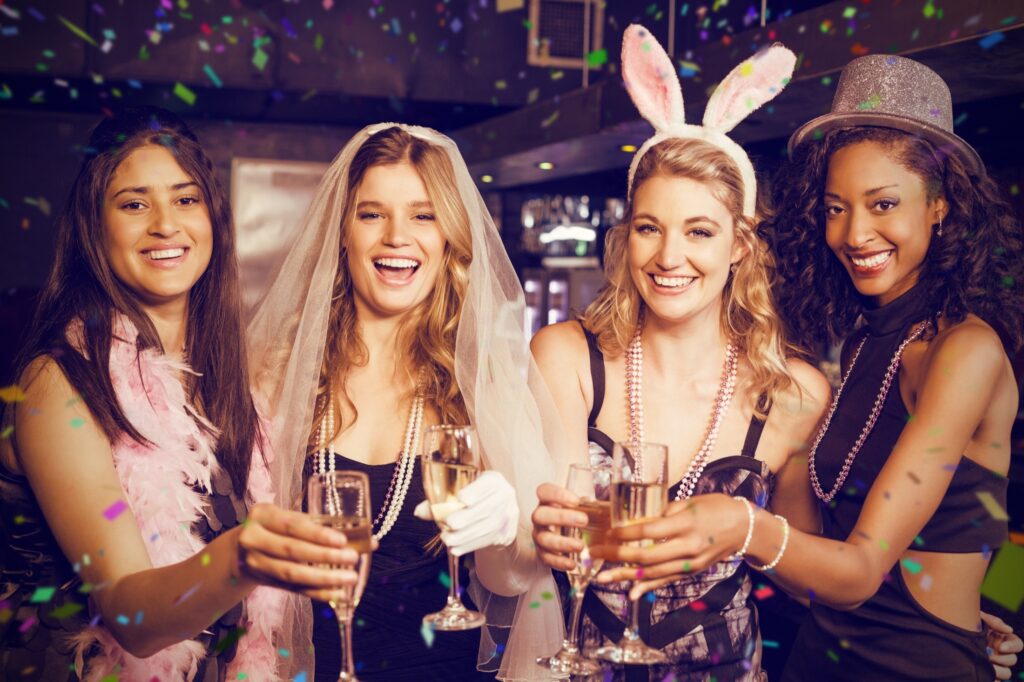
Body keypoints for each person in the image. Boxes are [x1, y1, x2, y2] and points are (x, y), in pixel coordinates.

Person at [605, 54, 1024, 681]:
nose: (855, 233)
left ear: (939, 206)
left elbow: (860, 571)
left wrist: (741, 524)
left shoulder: (967, 351)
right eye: (835, 208)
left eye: (883, 205)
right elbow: (816, 560)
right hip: (817, 658)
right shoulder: (861, 348)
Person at [0, 107, 354, 681]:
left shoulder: (220, 382)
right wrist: (244, 555)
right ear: (95, 225)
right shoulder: (57, 384)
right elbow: (132, 616)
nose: (166, 224)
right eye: (135, 204)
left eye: (186, 200)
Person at [529, 25, 830, 680]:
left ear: (740, 246)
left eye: (699, 231)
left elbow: (814, 573)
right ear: (626, 236)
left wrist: (954, 615)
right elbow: (534, 541)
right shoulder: (567, 358)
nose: (670, 257)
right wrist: (535, 530)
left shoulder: (794, 394)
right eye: (649, 229)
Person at [245, 123, 565, 681]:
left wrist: (505, 529)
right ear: (342, 231)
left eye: (423, 215)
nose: (397, 236)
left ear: (449, 237)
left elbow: (514, 581)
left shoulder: (479, 382)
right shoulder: (276, 371)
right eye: (372, 214)